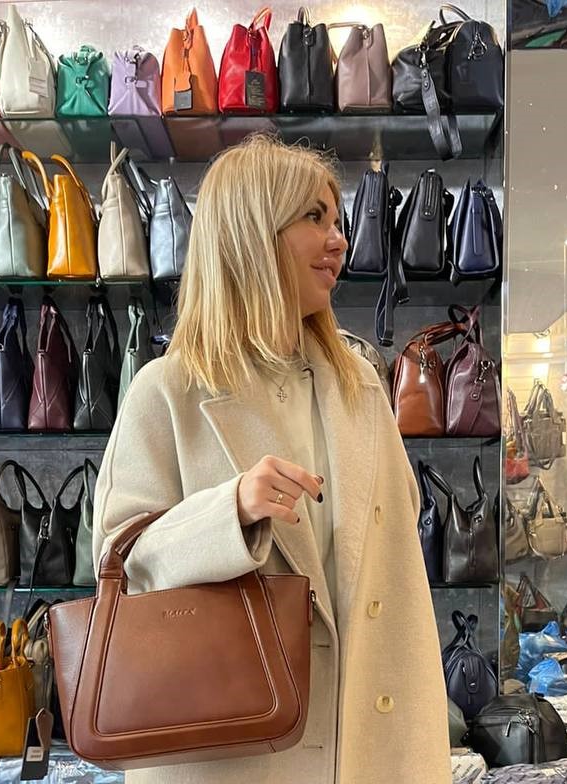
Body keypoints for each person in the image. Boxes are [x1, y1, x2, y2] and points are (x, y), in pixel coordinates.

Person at [92, 135, 450, 784]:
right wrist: (228, 511)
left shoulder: (360, 386)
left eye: (337, 219)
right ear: (251, 233)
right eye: (314, 217)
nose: (339, 240)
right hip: (229, 751)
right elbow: (120, 556)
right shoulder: (169, 390)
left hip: (366, 738)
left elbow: (393, 563)